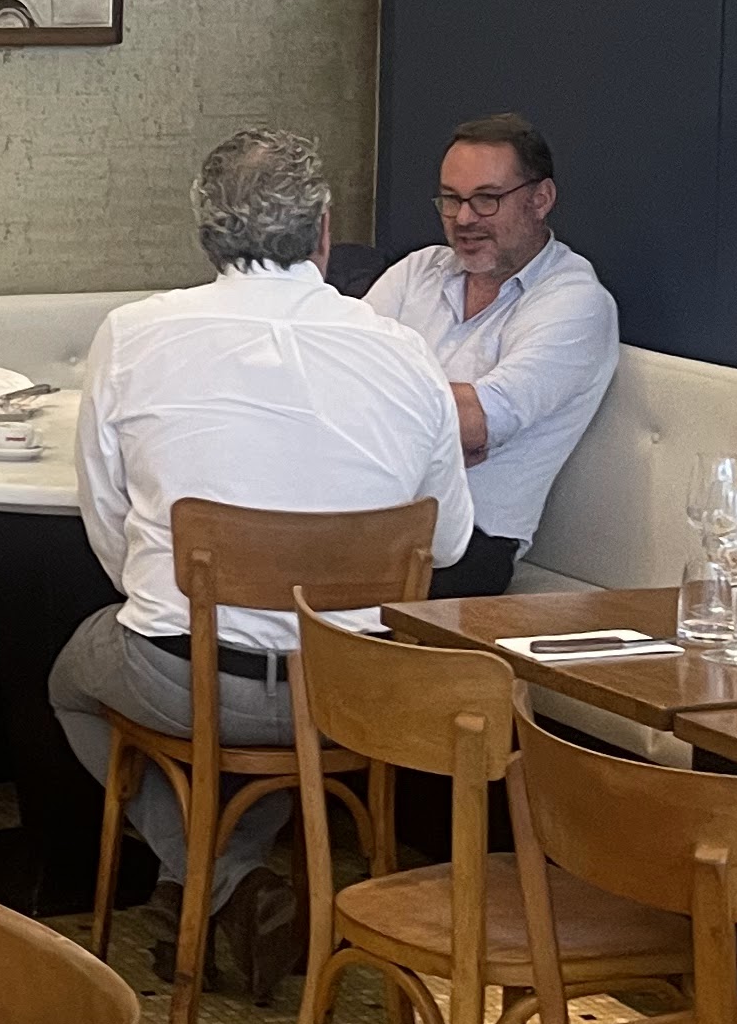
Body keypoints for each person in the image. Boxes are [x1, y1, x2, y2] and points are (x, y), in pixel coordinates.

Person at [51, 130, 470, 973]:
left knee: (72, 683)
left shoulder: (133, 334)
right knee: (274, 733)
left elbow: (108, 517)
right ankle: (232, 890)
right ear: (324, 230)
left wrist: (167, 598)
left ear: (206, 232)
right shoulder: (404, 352)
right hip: (352, 687)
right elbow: (449, 540)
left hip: (186, 675)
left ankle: (220, 882)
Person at [363, 116, 618, 599]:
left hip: (469, 545)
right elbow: (334, 377)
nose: (463, 219)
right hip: (372, 511)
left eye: (486, 199)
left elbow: (476, 423)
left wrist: (382, 408)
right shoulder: (418, 271)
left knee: (271, 574)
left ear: (540, 199)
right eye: (451, 199)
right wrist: (440, 435)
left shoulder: (574, 302)